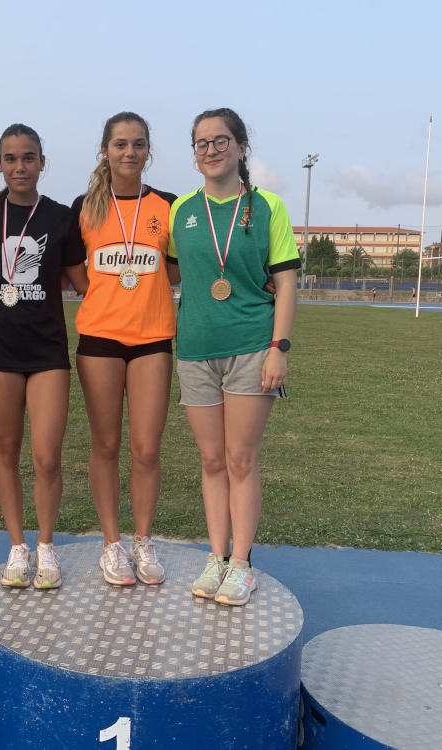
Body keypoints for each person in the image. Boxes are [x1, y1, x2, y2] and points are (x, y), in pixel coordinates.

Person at [169, 107, 300, 606]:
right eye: (201, 143)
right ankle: (216, 556)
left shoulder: (267, 206)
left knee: (240, 459)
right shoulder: (182, 211)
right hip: (195, 350)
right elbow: (171, 272)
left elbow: (285, 283)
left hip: (251, 347)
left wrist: (278, 348)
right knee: (211, 460)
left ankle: (242, 563)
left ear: (241, 147)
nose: (211, 150)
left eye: (221, 140)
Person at [0, 124, 88, 590]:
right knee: (6, 448)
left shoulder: (60, 217)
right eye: (11, 158)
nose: (20, 167)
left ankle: (46, 545)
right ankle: (17, 547)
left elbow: (78, 280)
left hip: (47, 351)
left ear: (42, 162)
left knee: (47, 457)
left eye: (29, 158)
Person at [70, 112, 179, 586]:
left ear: (148, 150)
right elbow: (75, 272)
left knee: (147, 448)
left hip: (152, 338)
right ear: (105, 150)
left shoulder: (168, 205)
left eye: (138, 144)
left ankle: (143, 539)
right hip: (100, 338)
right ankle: (111, 544)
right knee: (106, 444)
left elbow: (176, 269)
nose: (129, 152)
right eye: (120, 144)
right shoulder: (85, 206)